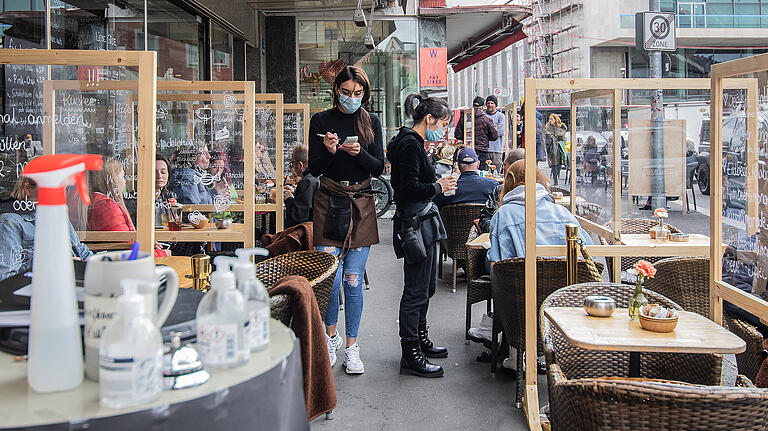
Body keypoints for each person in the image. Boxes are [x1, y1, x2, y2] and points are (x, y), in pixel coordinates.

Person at [309, 66, 385, 375]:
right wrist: (328, 152)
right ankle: (331, 336)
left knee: (353, 280)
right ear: (336, 90)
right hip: (328, 200)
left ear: (364, 94)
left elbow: (379, 167)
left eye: (358, 94)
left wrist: (358, 155)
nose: (352, 98)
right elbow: (313, 169)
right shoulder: (321, 121)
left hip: (361, 203)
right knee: (331, 278)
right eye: (346, 92)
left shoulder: (372, 121)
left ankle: (352, 346)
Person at [388, 93, 456, 377]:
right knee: (415, 290)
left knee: (425, 287)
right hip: (414, 224)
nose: (443, 129)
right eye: (443, 123)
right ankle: (411, 353)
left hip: (421, 223)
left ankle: (420, 339)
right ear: (429, 119)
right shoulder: (409, 145)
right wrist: (439, 186)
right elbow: (408, 188)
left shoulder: (413, 143)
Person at [487, 160, 591, 265]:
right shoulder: (563, 213)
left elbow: (496, 261)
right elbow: (589, 252)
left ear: (509, 182)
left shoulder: (503, 214)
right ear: (540, 180)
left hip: (519, 279)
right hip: (567, 279)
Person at [0, 175, 92, 281]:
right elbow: (6, 280)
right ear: (28, 189)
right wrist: (55, 267)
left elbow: (82, 253)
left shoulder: (57, 214)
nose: (62, 195)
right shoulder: (10, 223)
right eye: (54, 189)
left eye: (64, 189)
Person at [86, 159, 169, 257]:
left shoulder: (93, 201)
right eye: (123, 176)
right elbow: (126, 246)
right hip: (118, 264)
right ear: (112, 180)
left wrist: (145, 242)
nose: (125, 181)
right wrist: (162, 253)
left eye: (163, 172)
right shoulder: (106, 206)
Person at [477, 148, 526, 234]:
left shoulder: (500, 191)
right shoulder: (541, 193)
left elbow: (485, 217)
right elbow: (485, 219)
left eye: (505, 165)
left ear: (513, 168)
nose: (503, 168)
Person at [433, 147, 498, 208]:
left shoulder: (449, 188)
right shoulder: (492, 185)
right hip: (483, 219)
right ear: (478, 164)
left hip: (454, 220)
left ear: (457, 165)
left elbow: (435, 204)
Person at [454, 97, 498, 167]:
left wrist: (467, 137)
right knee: (480, 173)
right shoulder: (487, 119)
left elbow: (457, 135)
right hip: (482, 151)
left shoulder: (464, 117)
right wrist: (485, 137)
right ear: (483, 107)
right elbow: (494, 137)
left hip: (467, 149)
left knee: (467, 170)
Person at [284, 145, 319, 228]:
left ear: (300, 165)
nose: (292, 168)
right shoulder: (318, 176)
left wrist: (288, 199)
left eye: (292, 164)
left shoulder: (307, 182)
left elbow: (298, 216)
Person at [543, 113, 567, 185]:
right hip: (552, 146)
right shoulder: (547, 126)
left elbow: (562, 136)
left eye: (552, 119)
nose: (550, 120)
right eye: (550, 119)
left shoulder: (561, 126)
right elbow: (547, 135)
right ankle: (555, 178)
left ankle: (557, 174)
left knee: (560, 162)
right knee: (554, 163)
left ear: (555, 119)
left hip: (559, 146)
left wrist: (557, 136)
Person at [485, 95, 506, 168]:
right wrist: (494, 129)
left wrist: (487, 131)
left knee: (496, 173)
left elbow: (501, 131)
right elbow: (481, 132)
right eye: (488, 103)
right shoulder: (483, 116)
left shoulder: (501, 116)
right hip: (485, 149)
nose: (490, 105)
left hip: (497, 150)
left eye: (492, 103)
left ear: (495, 105)